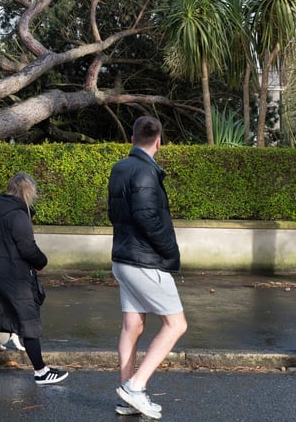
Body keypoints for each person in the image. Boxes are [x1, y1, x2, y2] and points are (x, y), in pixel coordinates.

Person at [107, 116, 187, 419]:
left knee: (133, 326)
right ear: (159, 141)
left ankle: (127, 393)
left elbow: (116, 214)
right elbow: (147, 219)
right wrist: (171, 252)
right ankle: (135, 387)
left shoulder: (120, 168)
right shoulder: (144, 171)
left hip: (123, 258)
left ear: (132, 139)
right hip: (144, 261)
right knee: (176, 324)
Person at [0, 172, 68, 386]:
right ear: (27, 191)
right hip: (15, 277)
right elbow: (27, 248)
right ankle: (41, 371)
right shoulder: (18, 215)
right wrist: (42, 261)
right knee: (27, 322)